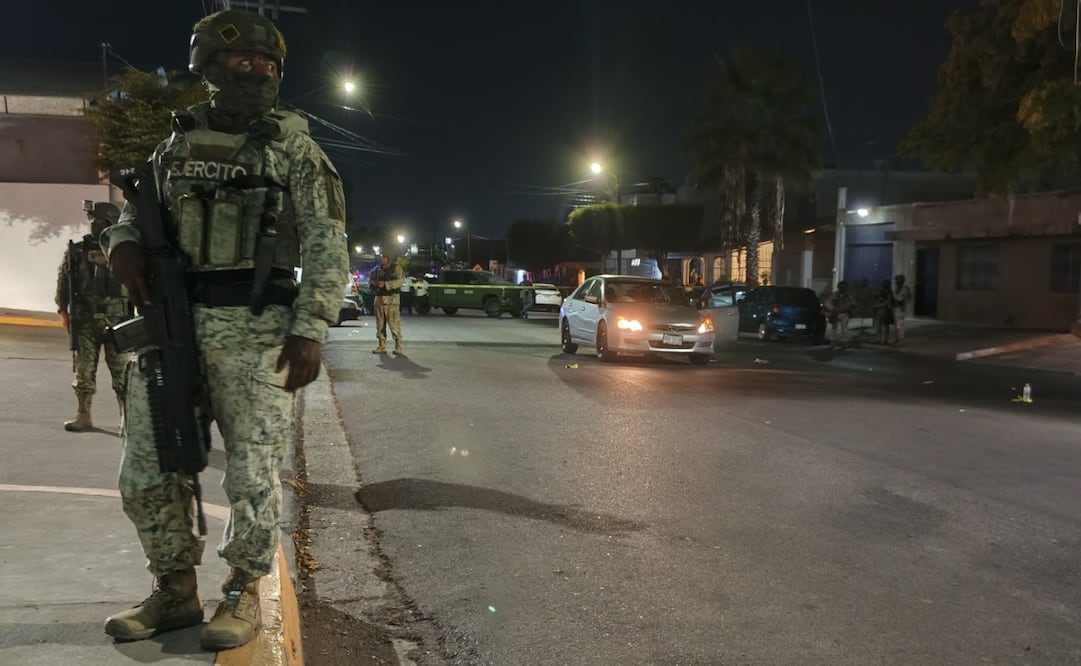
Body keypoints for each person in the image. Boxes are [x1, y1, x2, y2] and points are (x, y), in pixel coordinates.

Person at [100, 10, 348, 651]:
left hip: (261, 332)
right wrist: (120, 244)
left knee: (252, 476)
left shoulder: (295, 148)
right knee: (148, 472)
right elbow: (134, 213)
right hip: (172, 328)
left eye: (270, 65)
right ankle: (174, 591)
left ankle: (241, 590)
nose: (260, 73)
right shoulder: (173, 147)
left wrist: (312, 326)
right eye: (245, 62)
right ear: (209, 67)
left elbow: (326, 242)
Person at [54, 200, 132, 431]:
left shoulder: (124, 251)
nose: (92, 224)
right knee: (84, 371)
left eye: (96, 219)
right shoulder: (77, 250)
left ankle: (127, 418)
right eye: (92, 219)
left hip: (118, 320)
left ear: (109, 221)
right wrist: (63, 310)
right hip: (86, 320)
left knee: (121, 373)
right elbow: (64, 280)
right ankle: (83, 415)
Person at [371, 252, 404, 354]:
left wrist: (385, 284)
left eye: (383, 257)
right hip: (379, 299)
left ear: (388, 258)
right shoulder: (377, 269)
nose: (382, 259)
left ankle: (398, 346)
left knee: (394, 323)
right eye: (381, 257)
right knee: (380, 324)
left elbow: (400, 281)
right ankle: (382, 346)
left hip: (391, 300)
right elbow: (371, 281)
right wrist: (376, 284)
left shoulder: (396, 268)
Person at [825, 280, 854, 348]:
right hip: (836, 313)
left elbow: (854, 304)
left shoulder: (848, 295)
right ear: (839, 287)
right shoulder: (835, 294)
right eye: (841, 287)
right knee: (834, 329)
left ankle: (844, 344)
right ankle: (832, 344)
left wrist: (849, 305)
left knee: (844, 330)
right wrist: (832, 309)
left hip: (844, 314)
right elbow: (827, 302)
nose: (842, 288)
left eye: (844, 287)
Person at [873, 279, 895, 344]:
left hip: (885, 311)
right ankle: (880, 339)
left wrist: (879, 305)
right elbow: (877, 300)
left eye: (883, 285)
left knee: (885, 326)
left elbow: (888, 302)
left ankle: (884, 340)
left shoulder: (889, 293)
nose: (882, 286)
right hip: (880, 311)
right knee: (879, 326)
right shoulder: (881, 292)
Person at [892, 274, 912, 345]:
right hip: (896, 308)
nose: (895, 282)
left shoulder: (904, 289)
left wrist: (897, 301)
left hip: (901, 309)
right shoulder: (897, 288)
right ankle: (897, 339)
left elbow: (903, 299)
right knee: (897, 326)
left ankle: (900, 340)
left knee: (900, 325)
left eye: (897, 280)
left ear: (901, 281)